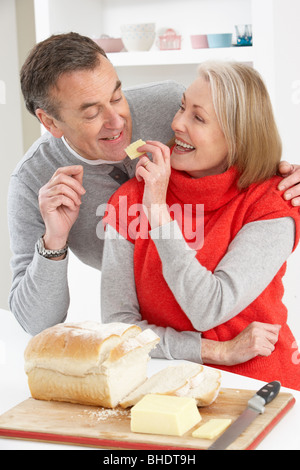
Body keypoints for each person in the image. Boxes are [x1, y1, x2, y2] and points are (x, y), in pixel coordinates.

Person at [7, 32, 300, 337]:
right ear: (51, 122)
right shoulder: (33, 181)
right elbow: (39, 323)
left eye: (118, 97)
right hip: (156, 334)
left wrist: (285, 174)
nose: (117, 121)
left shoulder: (169, 105)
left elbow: (239, 130)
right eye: (92, 113)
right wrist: (54, 241)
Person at [101, 61, 300, 390]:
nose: (177, 123)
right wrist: (213, 351)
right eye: (181, 107)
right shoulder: (131, 199)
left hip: (260, 388)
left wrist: (160, 216)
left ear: (239, 135)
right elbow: (118, 329)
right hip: (165, 384)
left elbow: (209, 308)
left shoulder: (274, 201)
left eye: (198, 117)